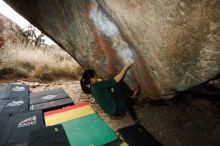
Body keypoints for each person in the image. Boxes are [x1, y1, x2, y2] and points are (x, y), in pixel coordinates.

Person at [80, 59, 140, 123]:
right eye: (95, 76)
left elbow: (105, 95)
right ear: (91, 78)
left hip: (113, 112)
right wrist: (126, 66)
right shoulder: (97, 85)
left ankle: (135, 118)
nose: (96, 77)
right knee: (118, 83)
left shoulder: (92, 89)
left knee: (123, 95)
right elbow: (115, 80)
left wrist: (112, 90)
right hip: (117, 110)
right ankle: (132, 94)